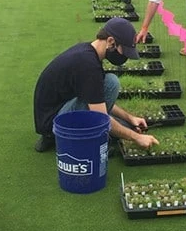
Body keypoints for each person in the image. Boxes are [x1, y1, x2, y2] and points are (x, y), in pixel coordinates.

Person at [33, 18, 160, 153]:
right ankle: (68, 139)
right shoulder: (88, 66)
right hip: (53, 123)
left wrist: (130, 118)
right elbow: (101, 116)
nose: (125, 58)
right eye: (125, 52)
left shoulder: (88, 52)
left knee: (110, 82)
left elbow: (97, 98)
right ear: (111, 41)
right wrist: (136, 137)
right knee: (110, 89)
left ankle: (90, 132)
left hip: (58, 109)